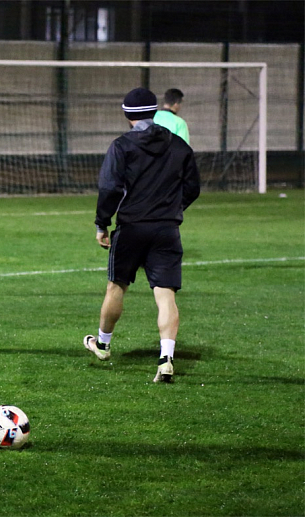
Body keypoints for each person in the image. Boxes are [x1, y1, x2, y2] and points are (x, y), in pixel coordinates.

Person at [83, 87, 200, 383]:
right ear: (155, 111)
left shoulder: (122, 146)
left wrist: (101, 224)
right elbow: (193, 187)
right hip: (166, 228)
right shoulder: (178, 145)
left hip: (132, 227)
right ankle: (166, 358)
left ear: (127, 115)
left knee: (116, 287)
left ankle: (103, 344)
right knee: (165, 294)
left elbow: (109, 188)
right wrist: (173, 208)